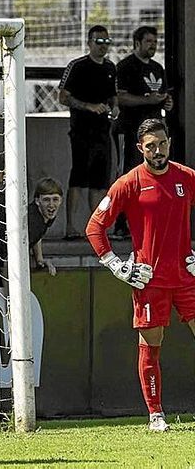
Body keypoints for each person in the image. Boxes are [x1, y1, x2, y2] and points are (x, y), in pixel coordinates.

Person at [85, 118, 195, 432]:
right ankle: (155, 415)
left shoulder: (186, 177)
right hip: (149, 281)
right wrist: (118, 266)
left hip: (187, 278)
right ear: (139, 148)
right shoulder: (128, 183)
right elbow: (95, 227)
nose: (157, 151)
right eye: (150, 146)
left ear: (170, 142)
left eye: (162, 143)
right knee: (151, 346)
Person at [59, 25, 118, 240]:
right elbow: (63, 96)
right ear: (89, 42)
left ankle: (97, 228)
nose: (102, 46)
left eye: (106, 42)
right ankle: (71, 227)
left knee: (100, 182)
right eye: (98, 42)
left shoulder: (111, 68)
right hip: (82, 131)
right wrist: (87, 106)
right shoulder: (78, 66)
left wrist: (115, 107)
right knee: (78, 178)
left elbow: (113, 96)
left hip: (103, 132)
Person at [113, 26, 173, 238]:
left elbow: (163, 95)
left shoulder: (158, 68)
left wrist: (166, 102)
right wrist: (146, 100)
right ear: (137, 43)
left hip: (155, 134)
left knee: (155, 175)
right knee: (128, 175)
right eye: (148, 41)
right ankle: (121, 223)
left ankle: (147, 222)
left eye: (155, 42)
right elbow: (120, 97)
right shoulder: (126, 66)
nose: (153, 46)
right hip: (130, 131)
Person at [28, 177, 63, 276]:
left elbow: (38, 236)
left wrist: (40, 259)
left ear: (61, 200)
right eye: (46, 200)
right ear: (37, 201)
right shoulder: (32, 220)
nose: (51, 205)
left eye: (55, 199)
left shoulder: (47, 215)